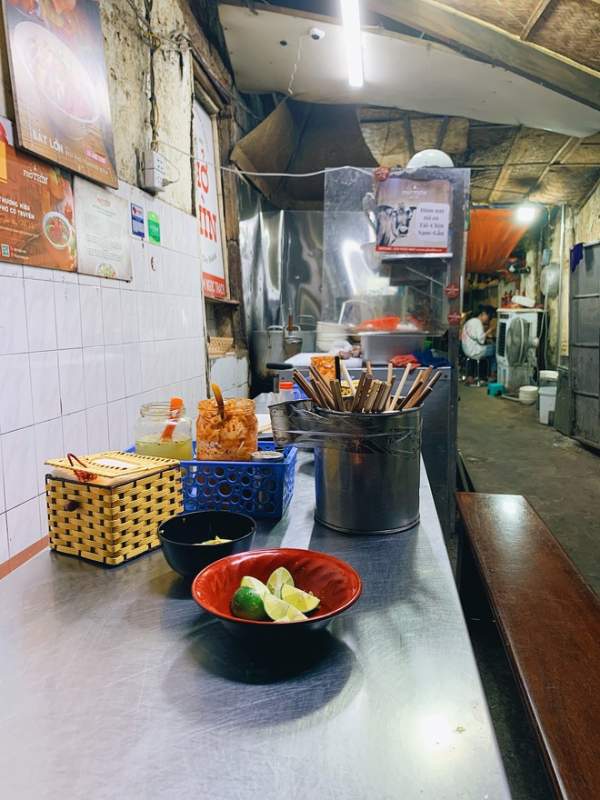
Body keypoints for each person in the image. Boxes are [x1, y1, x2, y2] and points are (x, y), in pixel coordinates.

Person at [461, 305, 497, 382]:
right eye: (489, 317)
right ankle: (493, 374)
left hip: (467, 350)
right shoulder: (478, 322)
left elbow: (476, 338)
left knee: (491, 350)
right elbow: (481, 340)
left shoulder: (470, 321)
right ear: (483, 314)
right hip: (475, 351)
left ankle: (482, 375)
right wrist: (490, 331)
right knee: (496, 349)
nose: (489, 320)